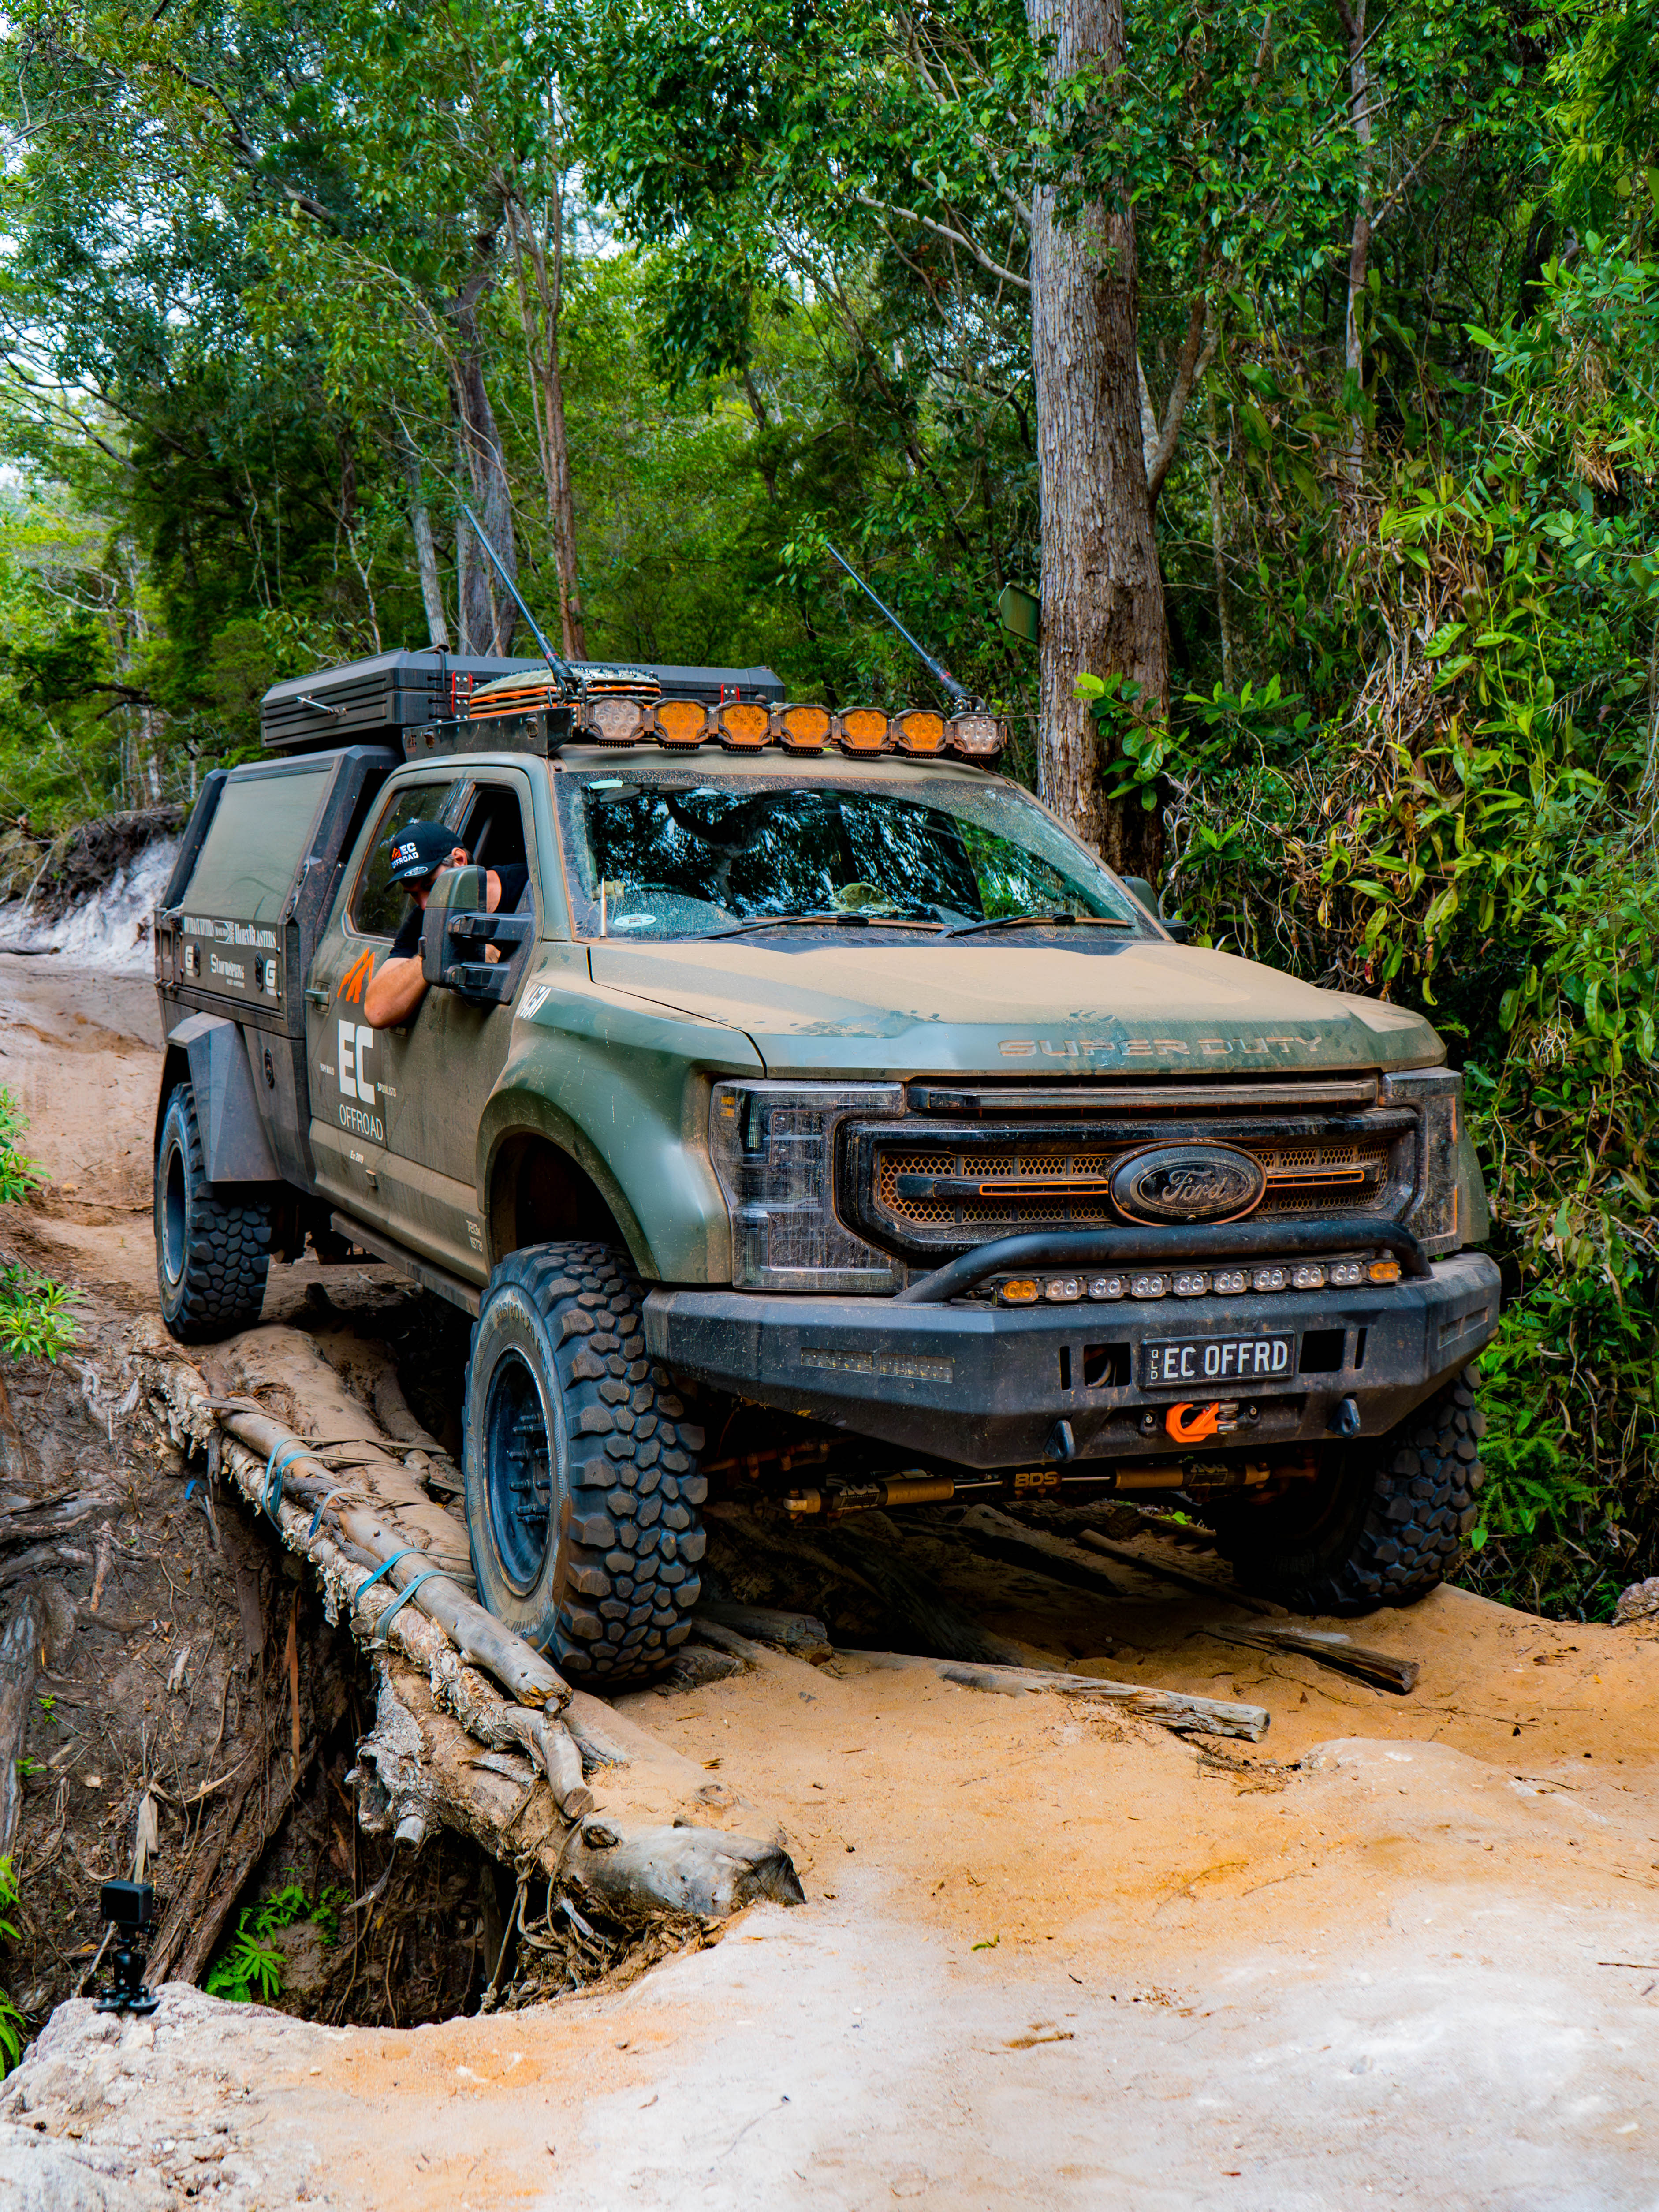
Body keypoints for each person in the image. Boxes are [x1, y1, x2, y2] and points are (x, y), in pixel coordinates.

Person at [362, 819, 529, 1028]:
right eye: (413, 895)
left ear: (459, 860)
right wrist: (439, 950)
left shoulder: (532, 887)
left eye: (431, 886)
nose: (424, 905)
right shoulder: (422, 918)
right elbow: (378, 1010)